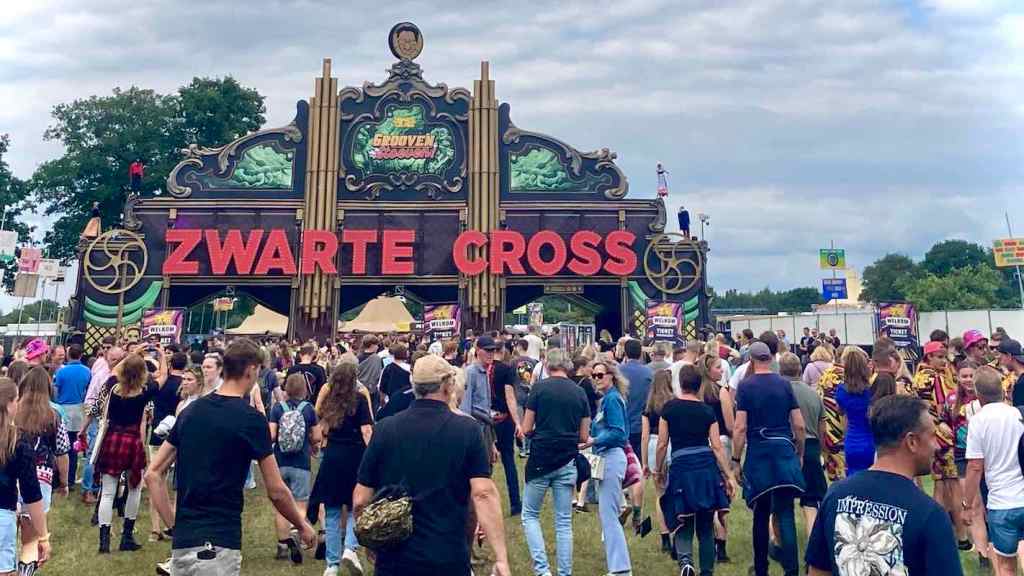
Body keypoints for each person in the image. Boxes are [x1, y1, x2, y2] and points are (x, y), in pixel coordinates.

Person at [146, 338, 316, 576]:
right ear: (251, 369)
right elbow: (276, 491)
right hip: (220, 540)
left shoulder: (190, 411)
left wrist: (173, 525)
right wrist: (302, 525)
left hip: (184, 542)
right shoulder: (251, 420)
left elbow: (153, 473)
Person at [352, 354, 511, 576]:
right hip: (447, 554)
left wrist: (371, 539)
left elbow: (360, 499)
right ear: (448, 386)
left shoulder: (385, 429)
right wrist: (501, 558)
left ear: (414, 387)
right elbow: (483, 493)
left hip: (395, 558)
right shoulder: (467, 430)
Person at [805, 394, 964, 576]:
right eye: (932, 436)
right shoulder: (929, 515)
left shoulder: (836, 495)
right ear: (912, 442)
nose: (937, 446)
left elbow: (817, 571)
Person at [731, 341, 806, 576]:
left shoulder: (746, 386)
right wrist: (799, 452)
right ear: (771, 359)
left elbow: (740, 427)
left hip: (759, 453)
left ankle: (761, 568)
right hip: (783, 450)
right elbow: (799, 425)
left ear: (751, 360)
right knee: (785, 513)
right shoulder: (784, 384)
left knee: (761, 513)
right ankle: (791, 570)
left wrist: (735, 460)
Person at [658, 364, 735, 576]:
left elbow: (662, 444)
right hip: (705, 467)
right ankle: (707, 570)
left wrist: (658, 470)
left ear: (680, 383)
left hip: (681, 466)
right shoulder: (707, 411)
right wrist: (728, 475)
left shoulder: (669, 408)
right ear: (699, 385)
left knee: (683, 518)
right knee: (705, 523)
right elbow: (717, 446)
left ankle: (686, 562)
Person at [520, 348, 590, 576]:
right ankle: (564, 573)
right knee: (563, 521)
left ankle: (543, 571)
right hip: (567, 459)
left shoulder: (539, 389)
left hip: (541, 458)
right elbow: (583, 435)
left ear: (547, 365)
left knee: (530, 515)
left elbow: (526, 427)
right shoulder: (579, 392)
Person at [311, 362, 373, 576]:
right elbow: (366, 431)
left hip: (333, 456)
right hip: (355, 456)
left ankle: (332, 564)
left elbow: (322, 427)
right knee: (357, 505)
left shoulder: (329, 401)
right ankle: (350, 547)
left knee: (332, 510)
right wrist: (373, 454)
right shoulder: (360, 400)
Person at [91, 353, 156, 553]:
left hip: (112, 439)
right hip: (132, 441)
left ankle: (104, 542)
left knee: (107, 492)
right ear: (142, 373)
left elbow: (114, 370)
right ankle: (127, 536)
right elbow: (163, 375)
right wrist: (160, 354)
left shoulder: (113, 387)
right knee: (134, 489)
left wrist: (131, 354)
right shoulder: (145, 393)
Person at [965, 366, 1024, 576]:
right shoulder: (1018, 414)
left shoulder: (978, 421)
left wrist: (967, 504)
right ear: (1002, 389)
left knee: (1006, 566)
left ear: (978, 394)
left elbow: (975, 466)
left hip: (1001, 502)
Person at [913, 340, 970, 549]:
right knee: (953, 485)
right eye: (939, 357)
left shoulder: (918, 377)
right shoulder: (935, 377)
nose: (944, 361)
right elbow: (942, 406)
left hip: (928, 434)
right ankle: (962, 537)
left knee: (939, 484)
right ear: (929, 357)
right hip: (943, 436)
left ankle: (936, 533)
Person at [15, 367, 68, 574]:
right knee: (31, 539)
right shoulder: (54, 416)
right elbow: (62, 452)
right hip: (42, 479)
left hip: (13, 477)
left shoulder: (13, 412)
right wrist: (64, 482)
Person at [583, 360, 632, 576]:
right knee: (608, 514)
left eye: (600, 375)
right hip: (606, 457)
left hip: (611, 457)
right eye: (594, 375)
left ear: (611, 375)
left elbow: (618, 432)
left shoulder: (612, 399)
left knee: (609, 515)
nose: (596, 379)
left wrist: (594, 440)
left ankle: (620, 568)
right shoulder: (607, 400)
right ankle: (619, 566)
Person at [267, 374, 321, 565]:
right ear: (304, 389)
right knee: (299, 503)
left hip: (280, 462)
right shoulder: (308, 409)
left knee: (281, 505)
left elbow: (271, 435)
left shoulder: (277, 408)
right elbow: (317, 436)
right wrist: (311, 443)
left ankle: (283, 545)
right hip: (301, 463)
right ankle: (295, 533)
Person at [0, 378, 50, 576]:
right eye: (16, 400)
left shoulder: (17, 441)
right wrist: (43, 536)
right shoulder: (18, 443)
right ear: (9, 404)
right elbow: (32, 494)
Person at [780, 352, 826, 539]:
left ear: (780, 371)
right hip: (812, 447)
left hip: (786, 446)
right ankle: (813, 542)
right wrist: (821, 450)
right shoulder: (813, 394)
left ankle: (779, 542)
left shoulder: (779, 392)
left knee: (781, 502)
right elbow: (822, 426)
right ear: (800, 370)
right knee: (811, 501)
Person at [697, 352, 735, 563]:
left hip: (700, 444)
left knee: (708, 490)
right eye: (718, 367)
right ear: (709, 370)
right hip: (720, 441)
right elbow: (729, 424)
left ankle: (711, 536)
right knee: (723, 492)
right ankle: (721, 545)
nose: (722, 370)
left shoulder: (695, 393)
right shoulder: (721, 392)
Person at [953, 360, 991, 569]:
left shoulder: (987, 400)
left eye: (971, 375)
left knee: (988, 502)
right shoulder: (952, 400)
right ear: (958, 378)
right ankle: (982, 554)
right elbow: (943, 424)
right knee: (973, 505)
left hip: (987, 456)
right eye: (964, 376)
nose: (968, 380)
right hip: (962, 456)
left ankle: (995, 546)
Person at [641, 369, 676, 555]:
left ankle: (664, 537)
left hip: (654, 444)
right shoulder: (674, 403)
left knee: (660, 493)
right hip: (672, 443)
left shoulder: (649, 407)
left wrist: (645, 462)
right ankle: (677, 533)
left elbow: (644, 436)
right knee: (674, 491)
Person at [51, 343, 89, 495]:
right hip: (79, 410)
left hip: (63, 409)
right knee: (74, 447)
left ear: (68, 355)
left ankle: (58, 478)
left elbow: (55, 391)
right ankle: (71, 479)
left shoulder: (62, 372)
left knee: (61, 446)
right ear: (81, 355)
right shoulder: (87, 371)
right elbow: (87, 390)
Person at [491, 341, 523, 516]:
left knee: (484, 463)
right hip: (504, 419)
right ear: (502, 350)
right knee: (508, 460)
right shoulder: (506, 369)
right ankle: (515, 503)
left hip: (486, 419)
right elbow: (510, 397)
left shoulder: (482, 369)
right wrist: (517, 421)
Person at [835, 347, 875, 476]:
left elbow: (840, 411)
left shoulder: (841, 390)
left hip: (851, 440)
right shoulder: (872, 390)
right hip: (871, 440)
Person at [357, 336, 384, 410]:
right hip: (372, 392)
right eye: (377, 345)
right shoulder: (377, 359)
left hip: (359, 391)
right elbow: (379, 375)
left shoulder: (358, 357)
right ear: (372, 345)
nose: (378, 347)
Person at [998, 338, 1024, 406]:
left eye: (1001, 357)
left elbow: (1019, 410)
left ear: (1009, 356)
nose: (1000, 362)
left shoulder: (1020, 384)